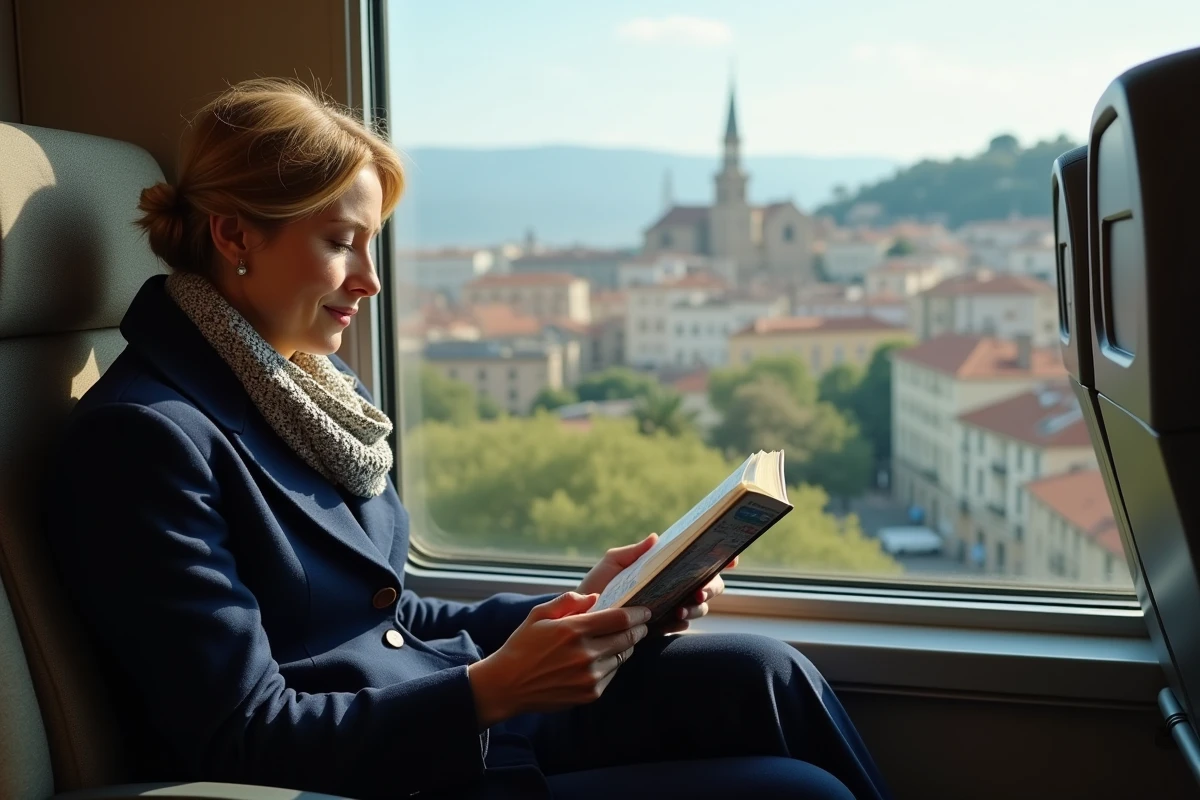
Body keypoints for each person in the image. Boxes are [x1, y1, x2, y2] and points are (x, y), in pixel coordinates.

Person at [45, 79, 891, 800]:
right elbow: (244, 734)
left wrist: (593, 604)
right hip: (387, 768)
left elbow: (387, 614)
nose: (370, 282)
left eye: (371, 246)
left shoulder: (311, 397)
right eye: (341, 243)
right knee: (798, 793)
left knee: (765, 672)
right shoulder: (142, 442)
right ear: (234, 235)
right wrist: (488, 693)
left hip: (453, 713)